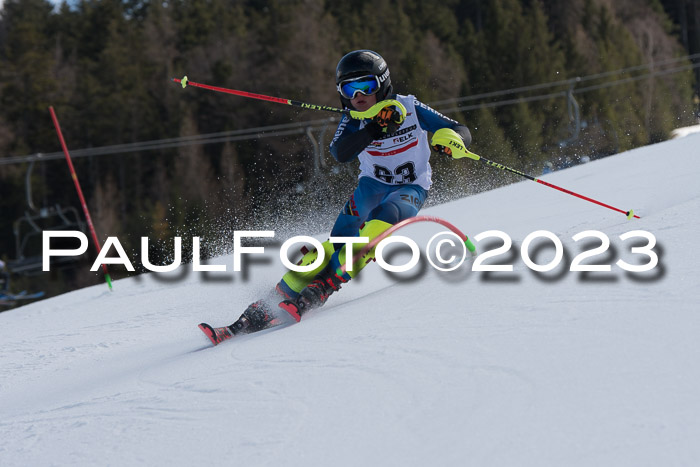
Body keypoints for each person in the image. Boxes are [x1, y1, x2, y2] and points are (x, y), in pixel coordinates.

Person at [203, 50, 472, 343]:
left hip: (410, 189)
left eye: (366, 86)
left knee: (380, 223)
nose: (358, 95)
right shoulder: (353, 119)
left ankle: (324, 287)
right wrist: (373, 126)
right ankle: (264, 307)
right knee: (334, 245)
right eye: (349, 88)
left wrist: (452, 142)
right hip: (371, 187)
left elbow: (458, 129)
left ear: (382, 84)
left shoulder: (409, 107)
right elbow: (340, 152)